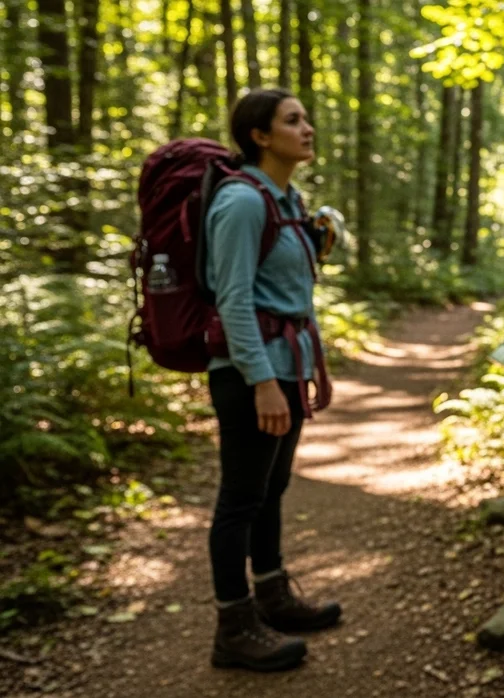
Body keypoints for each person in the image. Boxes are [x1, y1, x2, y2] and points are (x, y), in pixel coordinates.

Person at [204, 88, 341, 672]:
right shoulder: (241, 202)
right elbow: (233, 299)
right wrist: (260, 380)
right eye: (292, 120)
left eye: (306, 118)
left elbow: (288, 289)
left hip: (286, 367)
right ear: (259, 136)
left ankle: (273, 594)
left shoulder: (287, 199)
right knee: (240, 498)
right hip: (250, 372)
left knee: (271, 487)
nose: (307, 128)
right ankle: (233, 628)